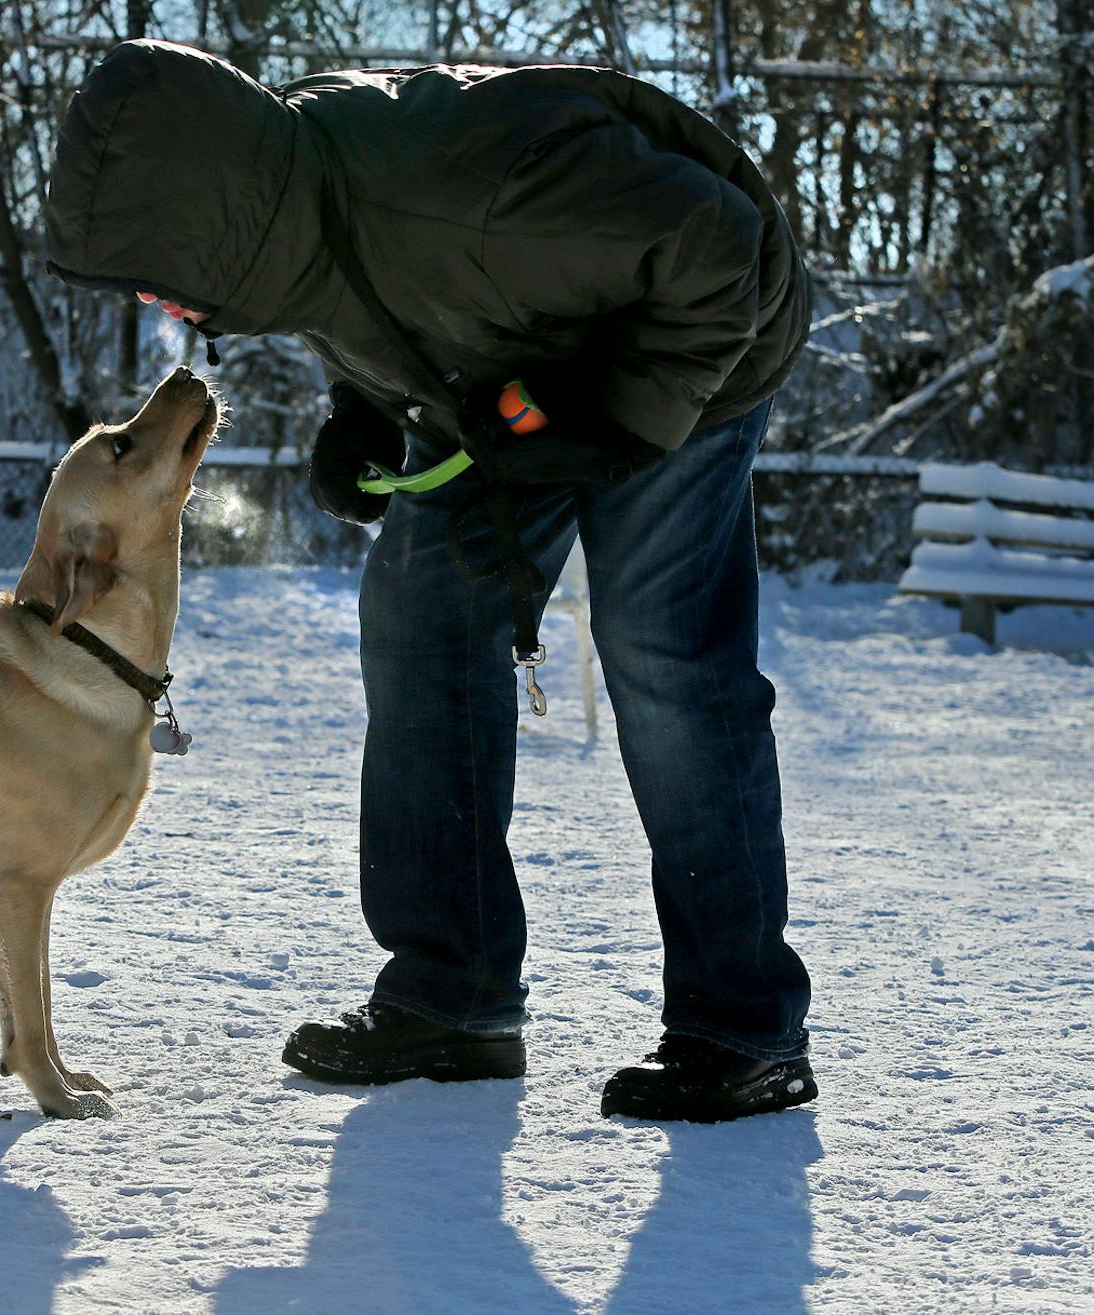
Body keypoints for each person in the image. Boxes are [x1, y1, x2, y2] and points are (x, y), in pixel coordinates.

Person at [44, 39, 815, 1123]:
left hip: (693, 339)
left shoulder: (465, 191)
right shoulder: (291, 192)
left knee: (663, 656)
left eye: (157, 274)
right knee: (416, 619)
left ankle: (743, 1030)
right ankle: (451, 1000)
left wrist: (614, 419)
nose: (160, 302)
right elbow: (379, 296)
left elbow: (718, 250)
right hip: (505, 371)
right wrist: (366, 411)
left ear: (209, 220)